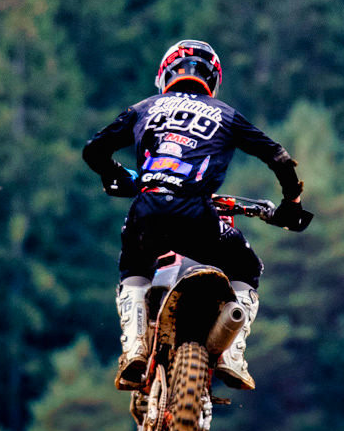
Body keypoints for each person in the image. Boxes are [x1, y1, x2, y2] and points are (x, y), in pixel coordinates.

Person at [82, 39, 309, 392]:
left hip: (147, 209)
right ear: (212, 80)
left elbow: (94, 150)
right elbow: (278, 157)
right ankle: (231, 354)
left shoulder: (144, 108)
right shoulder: (226, 114)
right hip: (196, 214)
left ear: (165, 75)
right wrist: (291, 203)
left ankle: (135, 347)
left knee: (134, 265)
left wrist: (119, 176)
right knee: (246, 266)